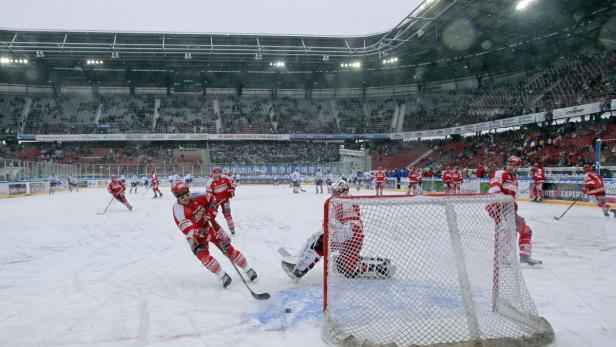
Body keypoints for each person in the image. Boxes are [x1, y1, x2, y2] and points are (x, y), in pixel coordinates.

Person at [281, 180, 395, 281]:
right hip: (356, 235)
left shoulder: (341, 200)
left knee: (320, 242)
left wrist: (327, 229)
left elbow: (338, 222)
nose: (333, 194)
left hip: (349, 232)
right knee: (349, 270)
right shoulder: (346, 199)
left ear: (343, 190)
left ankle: (300, 269)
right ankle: (381, 266)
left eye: (336, 191)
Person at [171, 180, 257, 288]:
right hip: (195, 234)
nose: (186, 198)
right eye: (182, 197)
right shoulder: (178, 211)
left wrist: (210, 214)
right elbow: (190, 230)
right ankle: (222, 275)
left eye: (187, 194)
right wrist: (208, 234)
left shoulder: (198, 195)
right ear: (176, 197)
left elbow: (213, 200)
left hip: (211, 225)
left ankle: (247, 268)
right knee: (202, 255)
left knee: (228, 248)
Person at [488, 155, 542, 266]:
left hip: (508, 209)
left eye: (514, 166)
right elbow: (494, 190)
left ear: (518, 167)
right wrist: (498, 207)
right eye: (510, 164)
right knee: (509, 231)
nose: (511, 167)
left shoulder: (514, 180)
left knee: (526, 230)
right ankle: (503, 257)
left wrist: (513, 208)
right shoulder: (500, 173)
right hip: (496, 206)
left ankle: (525, 257)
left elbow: (511, 199)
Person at [208, 167, 237, 235]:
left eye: (218, 173)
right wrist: (213, 201)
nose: (217, 175)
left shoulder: (226, 178)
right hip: (215, 201)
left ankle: (232, 229)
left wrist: (231, 191)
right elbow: (209, 194)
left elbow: (232, 186)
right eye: (215, 173)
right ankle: (211, 230)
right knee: (211, 215)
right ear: (213, 173)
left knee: (227, 214)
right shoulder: (210, 182)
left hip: (225, 199)